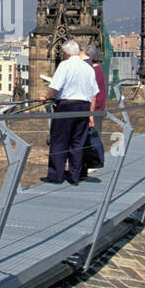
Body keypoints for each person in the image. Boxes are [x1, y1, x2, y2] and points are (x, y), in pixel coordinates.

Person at [41, 40, 97, 185]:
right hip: (83, 107)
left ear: (66, 53)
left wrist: (46, 97)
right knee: (78, 142)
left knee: (59, 141)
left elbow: (55, 87)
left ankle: (56, 176)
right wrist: (91, 114)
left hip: (67, 106)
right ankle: (74, 176)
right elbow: (94, 93)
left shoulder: (65, 65)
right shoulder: (88, 68)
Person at [80, 44, 107, 178]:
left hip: (94, 109)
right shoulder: (98, 70)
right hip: (98, 108)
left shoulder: (94, 71)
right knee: (94, 136)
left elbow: (93, 94)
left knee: (91, 137)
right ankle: (92, 163)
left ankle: (92, 163)